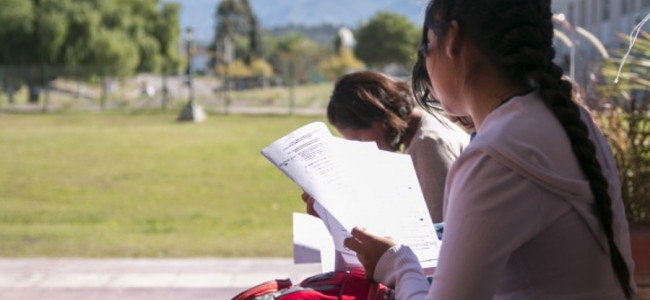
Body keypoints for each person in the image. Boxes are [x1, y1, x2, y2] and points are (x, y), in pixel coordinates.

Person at [343, 0, 637, 299]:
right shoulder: (567, 118)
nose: (425, 65)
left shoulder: (496, 155)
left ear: (454, 40)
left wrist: (397, 265)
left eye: (427, 47)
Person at [303, 70, 469, 224]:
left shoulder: (428, 144)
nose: (361, 150)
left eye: (359, 140)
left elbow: (437, 226)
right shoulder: (418, 133)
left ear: (380, 118)